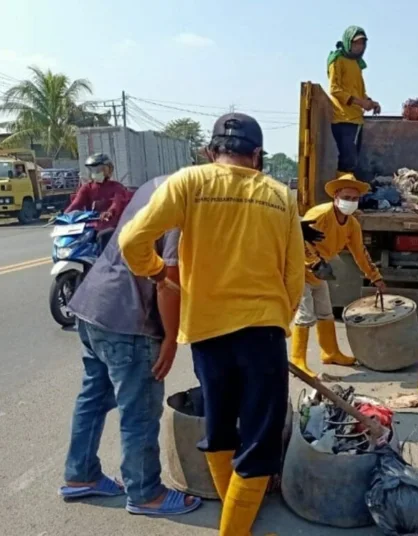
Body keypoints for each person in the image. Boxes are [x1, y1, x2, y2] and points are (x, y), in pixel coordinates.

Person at [119, 113, 305, 536]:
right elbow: (294, 274)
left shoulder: (188, 182)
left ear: (210, 152)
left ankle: (235, 522)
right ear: (256, 156)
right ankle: (235, 529)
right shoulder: (280, 195)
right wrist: (281, 319)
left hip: (206, 333)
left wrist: (156, 272)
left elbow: (132, 240)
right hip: (263, 331)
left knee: (219, 430)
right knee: (258, 445)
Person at [58, 175, 200, 516]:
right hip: (129, 321)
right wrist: (170, 338)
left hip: (92, 306)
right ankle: (145, 493)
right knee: (139, 410)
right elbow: (168, 280)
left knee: (93, 397)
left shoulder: (154, 186)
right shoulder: (185, 204)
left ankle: (80, 476)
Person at [291, 174, 385, 377]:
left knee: (325, 312)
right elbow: (298, 238)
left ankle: (330, 352)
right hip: (299, 269)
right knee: (305, 314)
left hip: (319, 272)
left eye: (354, 199)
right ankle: (298, 360)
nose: (350, 202)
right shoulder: (320, 214)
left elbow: (360, 252)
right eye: (346, 197)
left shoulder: (352, 225)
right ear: (336, 196)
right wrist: (314, 262)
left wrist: (375, 276)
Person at [328, 26, 380, 177]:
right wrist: (360, 102)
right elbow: (334, 89)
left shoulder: (357, 64)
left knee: (353, 161)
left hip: (356, 119)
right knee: (347, 160)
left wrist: (370, 102)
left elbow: (359, 92)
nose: (360, 47)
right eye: (356, 43)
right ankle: (342, 194)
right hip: (343, 118)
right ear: (348, 42)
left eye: (363, 43)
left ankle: (349, 193)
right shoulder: (337, 59)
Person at [66, 153, 130, 232]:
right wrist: (64, 215)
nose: (96, 172)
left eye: (100, 169)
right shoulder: (87, 187)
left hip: (111, 226)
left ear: (109, 170)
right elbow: (76, 204)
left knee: (104, 235)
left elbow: (117, 203)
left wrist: (109, 212)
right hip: (90, 226)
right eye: (93, 170)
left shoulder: (117, 187)